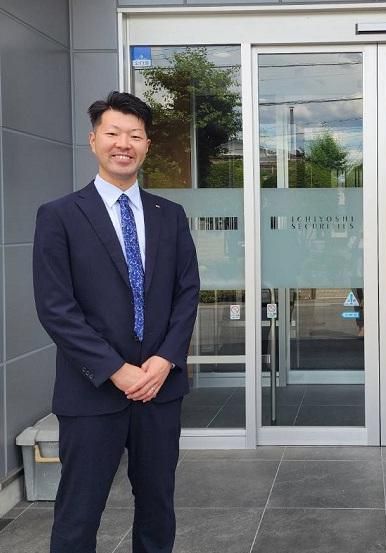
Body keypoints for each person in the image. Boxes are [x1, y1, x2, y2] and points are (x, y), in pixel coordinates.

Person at [33, 91, 200, 553]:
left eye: (135, 135)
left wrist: (165, 359)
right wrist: (116, 370)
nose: (123, 144)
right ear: (94, 141)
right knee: (78, 514)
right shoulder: (59, 216)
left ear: (146, 146)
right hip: (91, 392)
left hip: (159, 389)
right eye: (113, 133)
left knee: (157, 511)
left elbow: (187, 292)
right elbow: (56, 308)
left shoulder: (170, 216)